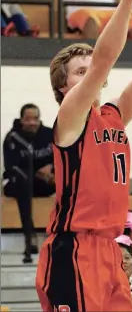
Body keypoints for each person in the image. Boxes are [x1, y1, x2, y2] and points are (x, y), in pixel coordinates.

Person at [35, 0, 132, 311]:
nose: (91, 75)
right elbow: (104, 60)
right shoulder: (69, 116)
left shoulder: (113, 115)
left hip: (110, 249)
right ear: (63, 88)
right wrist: (126, 1)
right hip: (73, 249)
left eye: (89, 71)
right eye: (80, 72)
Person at [2, 103, 54, 263]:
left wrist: (52, 166)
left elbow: (65, 156)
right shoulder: (13, 138)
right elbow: (12, 167)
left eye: (35, 119)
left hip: (44, 183)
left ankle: (67, 230)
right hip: (20, 183)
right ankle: (29, 235)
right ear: (21, 120)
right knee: (22, 183)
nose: (32, 122)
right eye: (28, 119)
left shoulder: (49, 134)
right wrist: (38, 173)